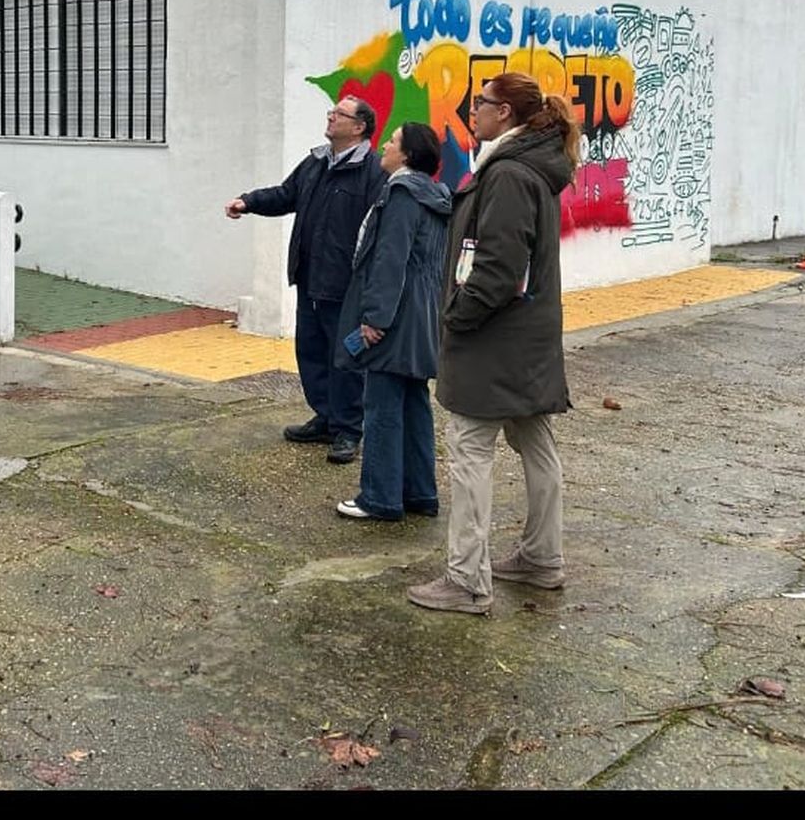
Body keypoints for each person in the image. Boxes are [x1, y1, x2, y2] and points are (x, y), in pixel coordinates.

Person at [407, 71, 581, 615]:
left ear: (504, 113)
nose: (472, 110)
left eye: (479, 103)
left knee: (470, 449)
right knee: (534, 441)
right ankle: (541, 558)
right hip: (524, 339)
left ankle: (466, 580)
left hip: (493, 337)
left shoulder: (508, 173)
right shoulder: (532, 168)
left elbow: (498, 266)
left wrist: (457, 318)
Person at [227, 96, 385, 464]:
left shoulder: (373, 172)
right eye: (332, 112)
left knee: (345, 358)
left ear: (359, 127)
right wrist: (247, 202)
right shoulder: (315, 163)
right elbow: (286, 195)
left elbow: (380, 231)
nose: (330, 117)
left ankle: (348, 429)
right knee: (311, 352)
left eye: (339, 114)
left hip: (344, 284)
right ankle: (325, 417)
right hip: (310, 277)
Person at [331, 122, 453, 521]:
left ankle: (380, 497)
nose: (385, 145)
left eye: (394, 141)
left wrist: (375, 318)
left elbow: (390, 259)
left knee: (381, 405)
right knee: (415, 405)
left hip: (396, 318)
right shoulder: (435, 194)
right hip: (423, 314)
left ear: (408, 155)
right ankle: (419, 492)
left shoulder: (402, 193)